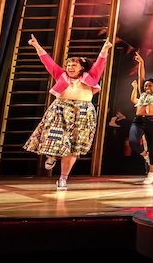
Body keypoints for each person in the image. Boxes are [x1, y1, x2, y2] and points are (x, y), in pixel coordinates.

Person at [23, 34, 113, 190]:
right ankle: (51, 154)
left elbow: (100, 63)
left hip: (83, 112)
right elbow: (48, 62)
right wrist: (37, 46)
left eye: (74, 65)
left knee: (72, 148)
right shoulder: (61, 75)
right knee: (55, 135)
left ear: (82, 68)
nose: (70, 67)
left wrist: (104, 49)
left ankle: (63, 179)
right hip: (61, 108)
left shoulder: (91, 76)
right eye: (68, 65)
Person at [129, 53, 153, 184]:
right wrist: (141, 62)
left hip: (152, 122)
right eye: (145, 86)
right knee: (133, 142)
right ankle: (145, 155)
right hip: (138, 121)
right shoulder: (142, 94)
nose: (146, 87)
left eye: (149, 85)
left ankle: (151, 174)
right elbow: (141, 77)